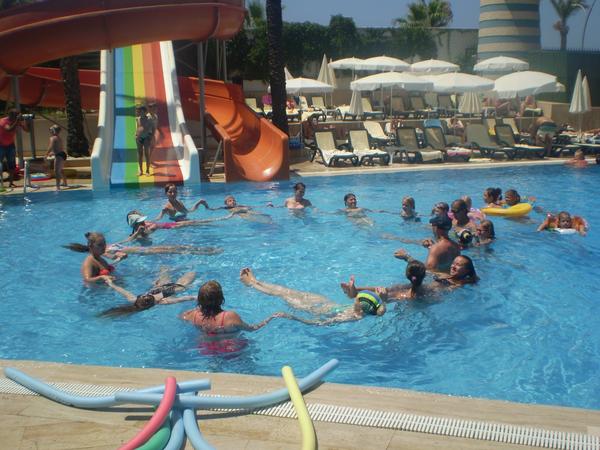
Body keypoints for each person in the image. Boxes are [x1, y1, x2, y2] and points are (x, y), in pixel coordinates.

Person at [240, 267, 386, 325]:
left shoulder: (349, 317)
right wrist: (350, 290)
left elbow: (317, 323)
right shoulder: (366, 308)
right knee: (287, 290)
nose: (355, 297)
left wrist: (292, 317)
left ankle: (251, 284)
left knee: (281, 294)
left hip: (312, 308)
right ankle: (256, 281)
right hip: (323, 302)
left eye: (357, 298)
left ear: (359, 305)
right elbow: (376, 305)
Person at [181, 280, 286, 333]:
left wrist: (197, 309)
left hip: (206, 349)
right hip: (230, 349)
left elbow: (182, 316)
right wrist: (270, 318)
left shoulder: (193, 315)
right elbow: (252, 329)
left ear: (200, 300)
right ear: (221, 299)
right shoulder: (229, 317)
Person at [100, 270, 197, 317]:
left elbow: (122, 291)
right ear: (153, 303)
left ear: (139, 298)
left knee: (164, 269)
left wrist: (111, 284)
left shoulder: (134, 300)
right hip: (176, 287)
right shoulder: (163, 301)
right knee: (192, 273)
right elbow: (184, 298)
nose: (146, 294)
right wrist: (195, 297)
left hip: (161, 285)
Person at [394, 214, 461, 273]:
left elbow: (427, 272)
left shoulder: (436, 249)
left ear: (436, 228)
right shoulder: (456, 246)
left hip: (437, 282)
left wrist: (406, 257)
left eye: (432, 225)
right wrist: (431, 247)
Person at [341, 259, 429, 301]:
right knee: (388, 290)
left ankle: (355, 292)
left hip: (405, 298)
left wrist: (385, 298)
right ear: (424, 275)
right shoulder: (430, 289)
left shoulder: (406, 295)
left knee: (386, 292)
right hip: (412, 294)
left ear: (407, 275)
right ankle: (356, 290)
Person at [0, 109, 29, 188]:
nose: (17, 117)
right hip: (1, 145)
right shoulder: (3, 121)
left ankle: (11, 183)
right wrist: (17, 121)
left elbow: (27, 130)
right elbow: (9, 129)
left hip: (10, 145)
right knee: (0, 164)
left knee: (12, 164)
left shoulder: (16, 121)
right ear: (11, 115)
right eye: (16, 115)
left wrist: (25, 121)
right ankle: (1, 183)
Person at [45, 125, 68, 191]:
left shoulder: (53, 138)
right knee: (61, 170)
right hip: (62, 154)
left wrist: (46, 154)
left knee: (56, 171)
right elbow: (59, 148)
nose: (50, 132)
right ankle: (65, 183)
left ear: (53, 131)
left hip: (59, 156)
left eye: (51, 130)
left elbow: (50, 147)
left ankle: (58, 187)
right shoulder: (59, 138)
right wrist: (52, 153)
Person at [135, 104, 155, 176]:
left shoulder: (149, 119)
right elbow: (138, 127)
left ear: (143, 111)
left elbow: (153, 128)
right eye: (137, 111)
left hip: (146, 137)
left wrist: (151, 136)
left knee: (147, 154)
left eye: (139, 111)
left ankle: (147, 170)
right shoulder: (138, 119)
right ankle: (140, 170)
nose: (137, 112)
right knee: (139, 154)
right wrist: (136, 134)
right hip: (139, 138)